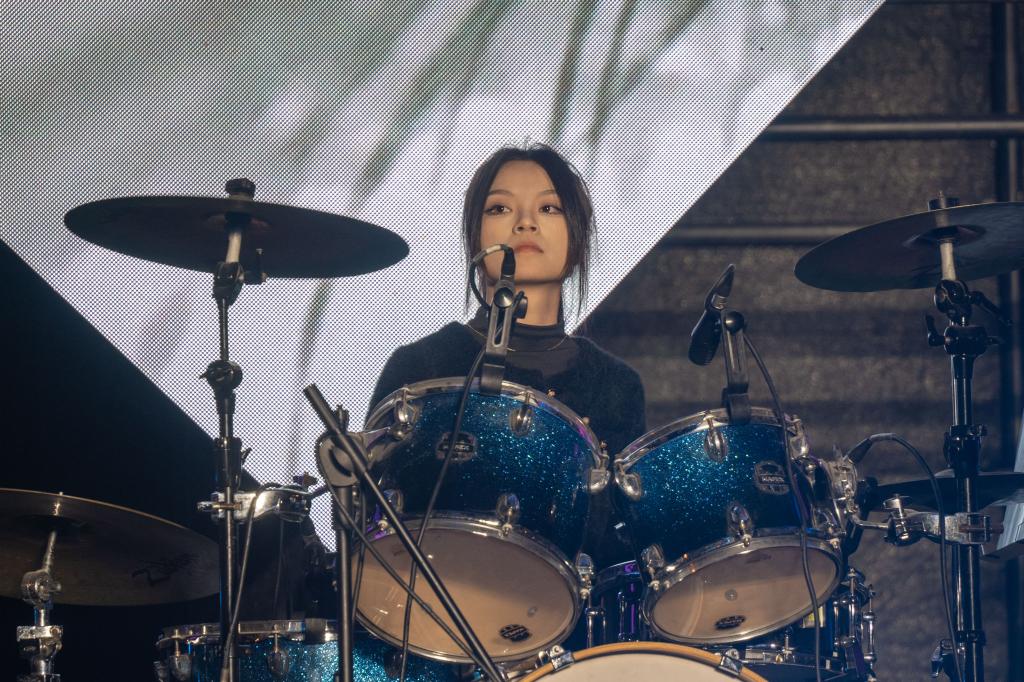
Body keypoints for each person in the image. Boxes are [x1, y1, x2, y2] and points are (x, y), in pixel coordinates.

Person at [367, 142, 646, 567]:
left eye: (549, 208)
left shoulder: (617, 385)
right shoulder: (422, 366)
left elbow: (622, 552)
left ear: (577, 240)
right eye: (500, 208)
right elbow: (367, 524)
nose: (525, 223)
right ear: (474, 238)